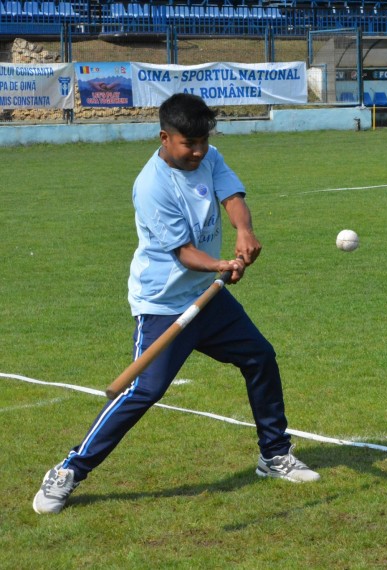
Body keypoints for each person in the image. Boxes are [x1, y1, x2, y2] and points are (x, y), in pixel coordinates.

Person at [33, 93, 319, 515]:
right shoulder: (151, 186)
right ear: (164, 137)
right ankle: (69, 470)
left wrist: (244, 230)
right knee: (142, 392)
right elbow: (184, 253)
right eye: (189, 144)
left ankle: (273, 455)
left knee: (260, 357)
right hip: (163, 303)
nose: (198, 151)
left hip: (209, 300)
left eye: (203, 141)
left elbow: (232, 196)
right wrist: (221, 262)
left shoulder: (208, 155)